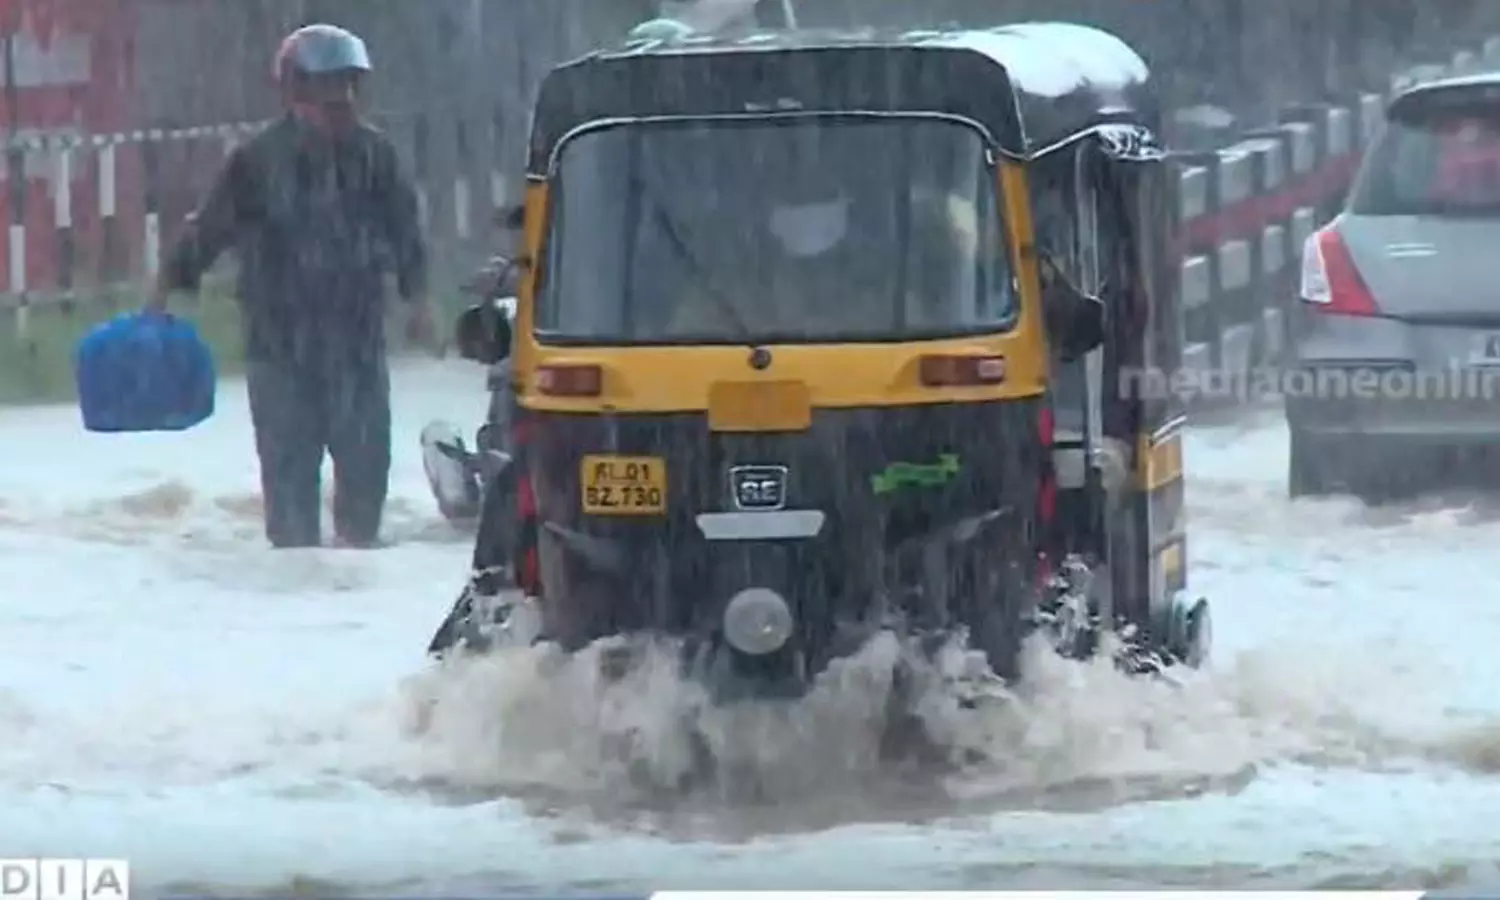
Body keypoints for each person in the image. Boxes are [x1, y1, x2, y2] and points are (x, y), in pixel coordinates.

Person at [151, 23, 433, 549]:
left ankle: (353, 579)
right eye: (328, 88)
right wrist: (166, 286)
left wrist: (419, 302)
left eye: (349, 86)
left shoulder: (377, 157)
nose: (341, 101)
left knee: (366, 483)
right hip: (281, 350)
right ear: (296, 93)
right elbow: (210, 230)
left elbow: (406, 233)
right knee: (290, 499)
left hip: (357, 347)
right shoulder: (257, 162)